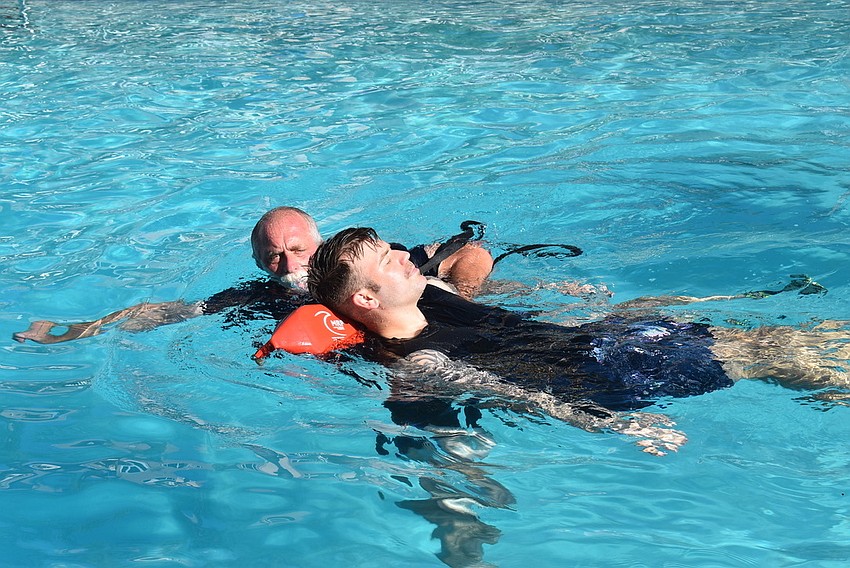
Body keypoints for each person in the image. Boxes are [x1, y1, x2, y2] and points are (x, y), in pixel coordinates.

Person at [306, 227, 849, 450]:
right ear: (368, 301)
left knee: (807, 344)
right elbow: (518, 394)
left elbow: (479, 276)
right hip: (609, 376)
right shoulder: (415, 361)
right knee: (785, 350)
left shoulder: (429, 298)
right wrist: (617, 425)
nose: (403, 254)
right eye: (387, 259)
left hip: (608, 339)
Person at [12, 207, 494, 345]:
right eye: (273, 257)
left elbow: (472, 254)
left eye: (296, 250)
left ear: (320, 243)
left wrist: (458, 294)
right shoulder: (260, 297)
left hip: (445, 309)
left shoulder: (375, 262)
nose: (287, 264)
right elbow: (174, 311)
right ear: (260, 265)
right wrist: (78, 330)